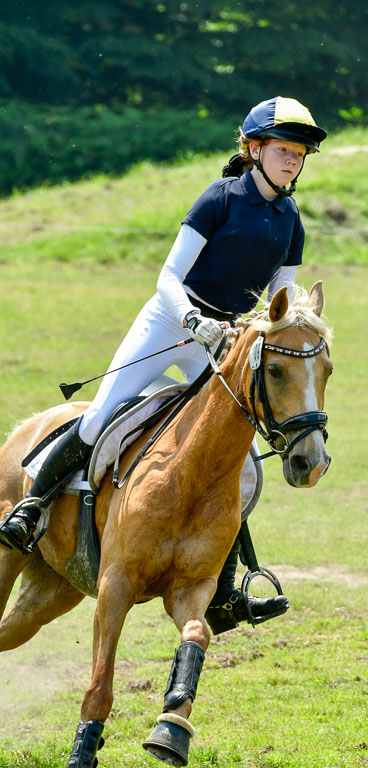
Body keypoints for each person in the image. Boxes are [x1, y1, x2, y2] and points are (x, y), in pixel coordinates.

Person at [0, 96, 327, 631]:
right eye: (284, 150)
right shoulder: (218, 199)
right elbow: (168, 277)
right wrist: (195, 321)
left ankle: (224, 592)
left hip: (220, 339)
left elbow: (281, 298)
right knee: (99, 416)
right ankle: (30, 507)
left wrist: (292, 321)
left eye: (299, 153)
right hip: (171, 324)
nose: (293, 161)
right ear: (254, 149)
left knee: (236, 463)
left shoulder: (291, 219)